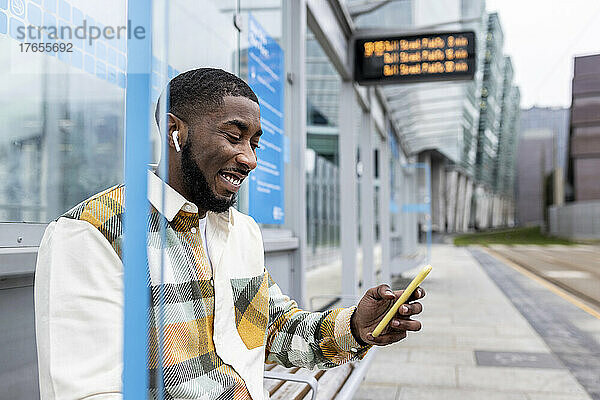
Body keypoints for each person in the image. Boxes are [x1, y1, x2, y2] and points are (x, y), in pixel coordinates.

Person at [34, 68, 425, 400]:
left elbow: (274, 327)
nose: (250, 159)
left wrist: (357, 325)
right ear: (175, 132)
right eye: (233, 136)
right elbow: (89, 392)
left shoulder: (242, 231)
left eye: (254, 143)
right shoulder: (91, 234)